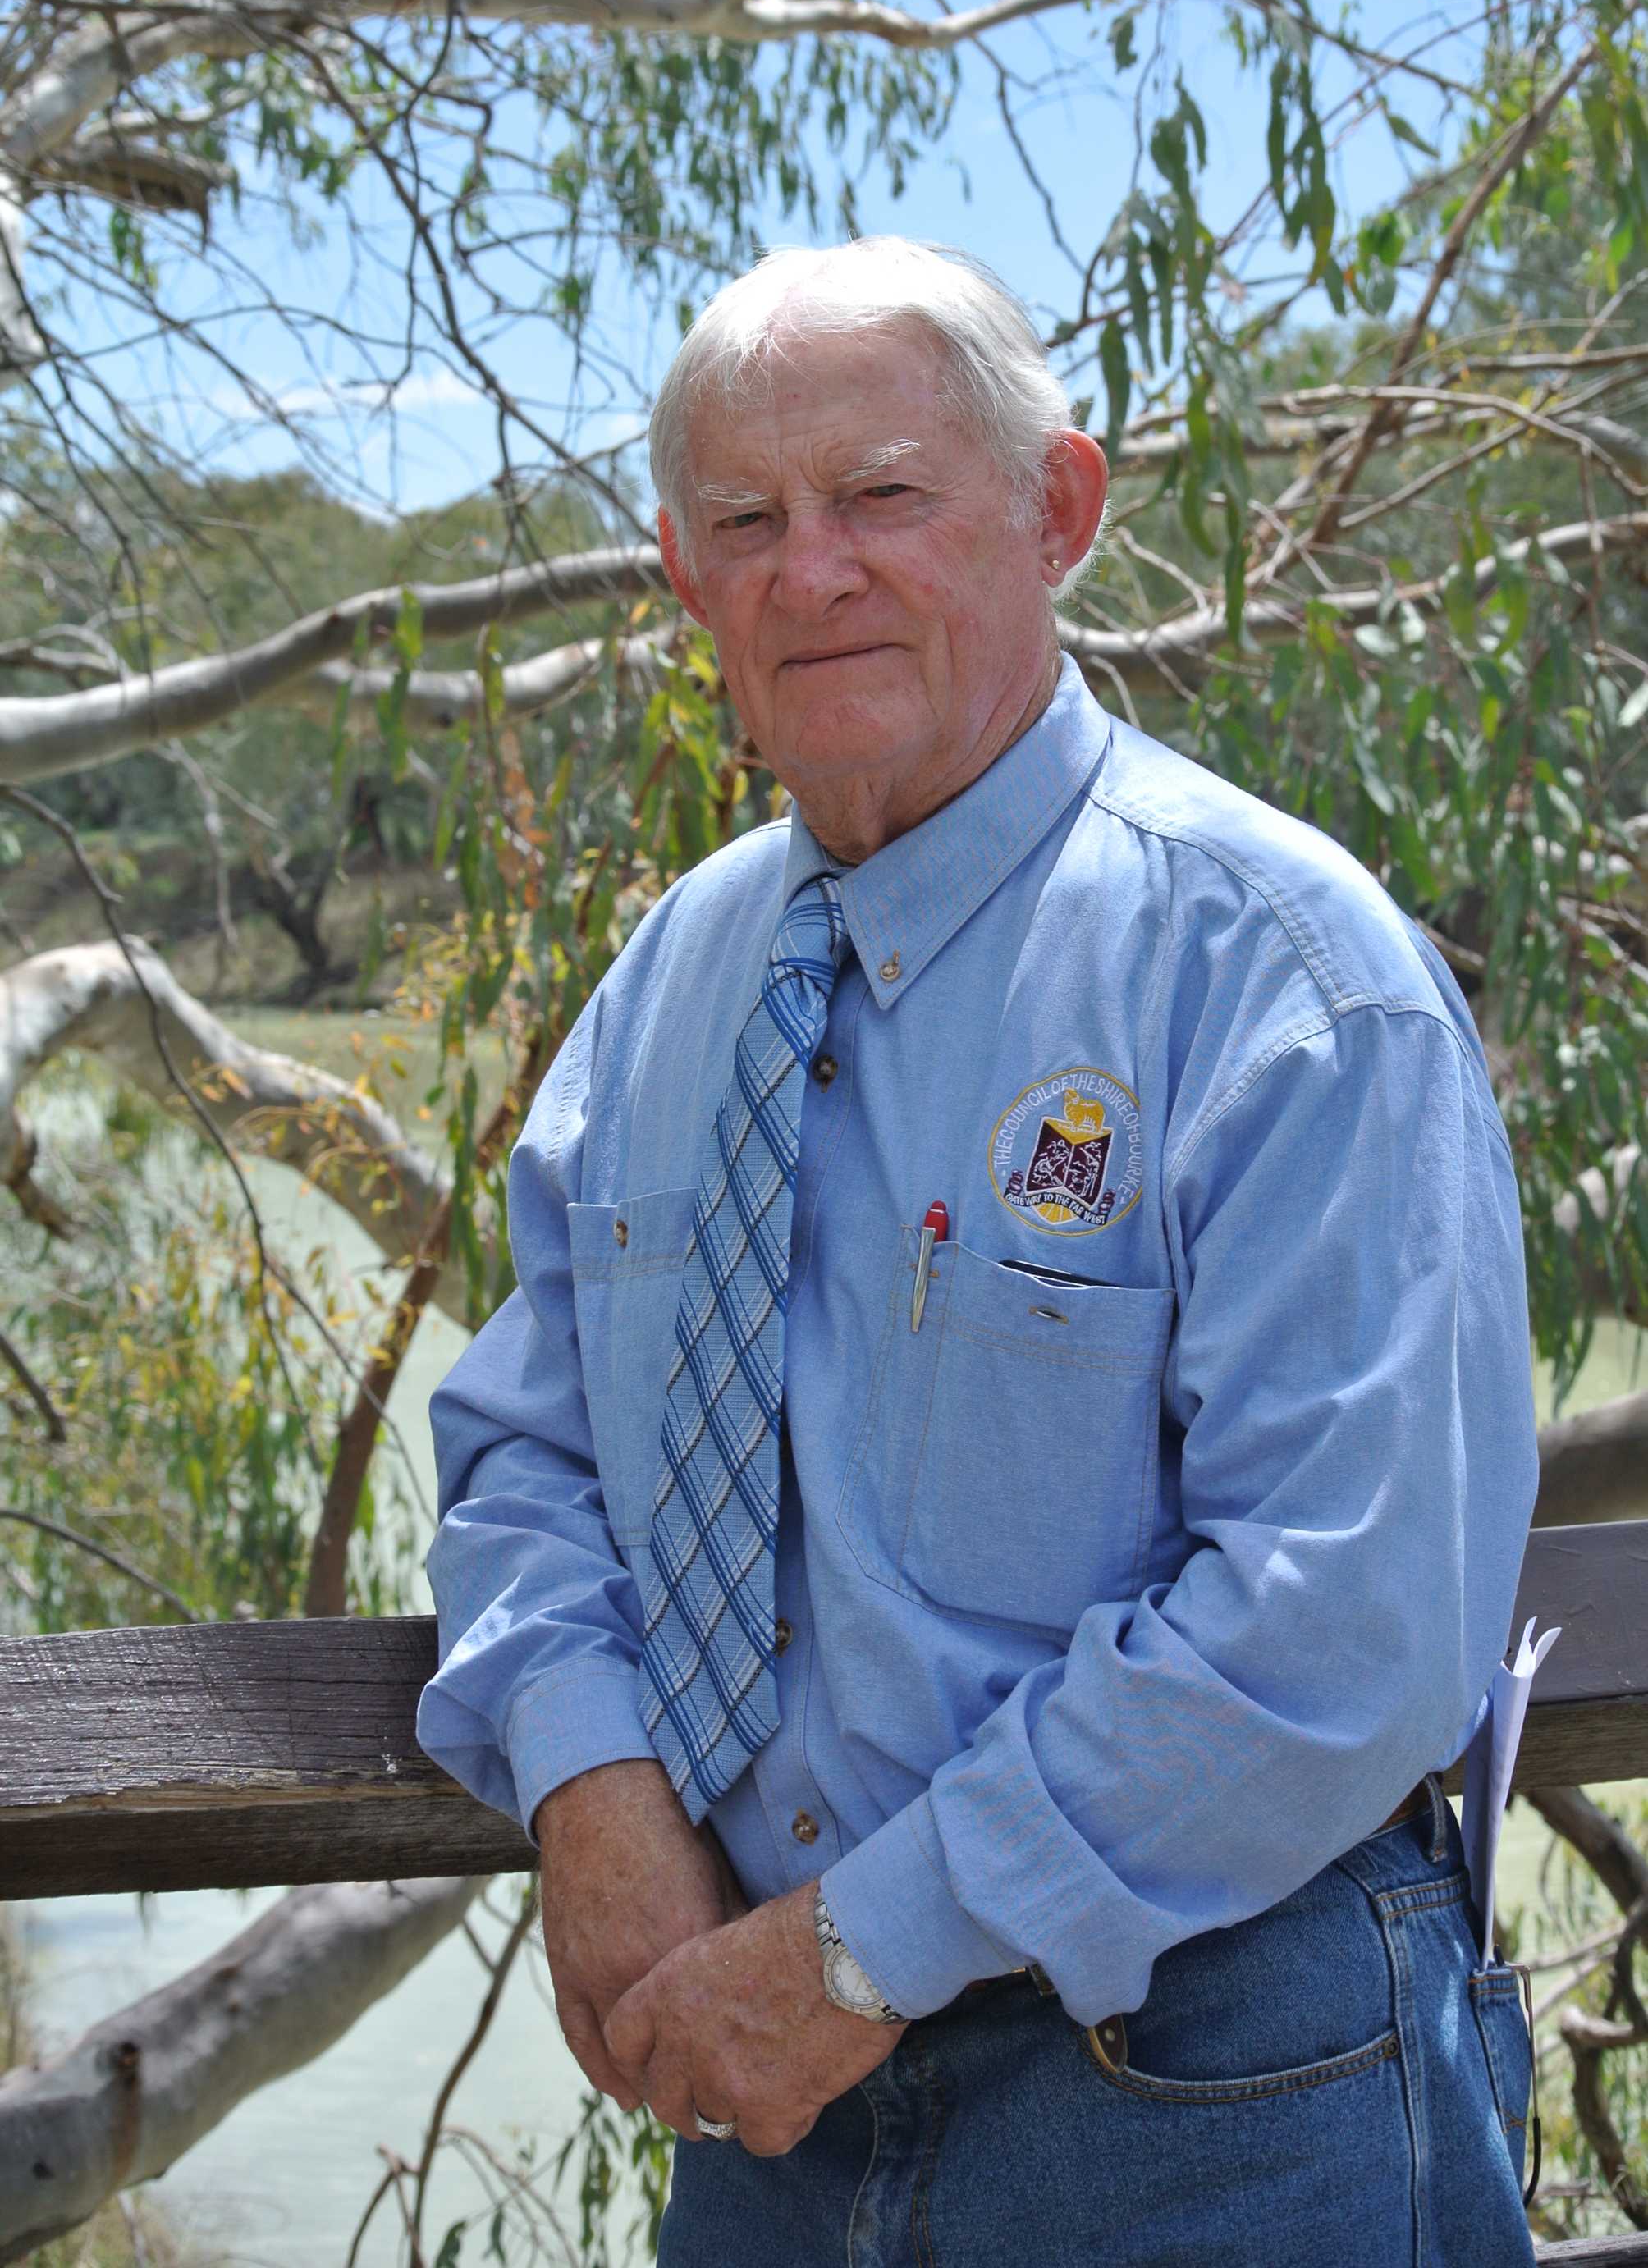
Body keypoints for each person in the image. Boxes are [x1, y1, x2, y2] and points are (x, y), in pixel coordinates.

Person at [415, 237, 1540, 2266]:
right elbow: (526, 1454)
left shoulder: (1281, 979)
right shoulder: (670, 984)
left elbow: (1342, 1615)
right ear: (681, 576)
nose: (810, 571)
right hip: (762, 2108)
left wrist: (859, 1952)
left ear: (1057, 512)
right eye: (742, 522)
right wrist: (588, 1788)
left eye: (881, 495)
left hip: (1209, 2093)